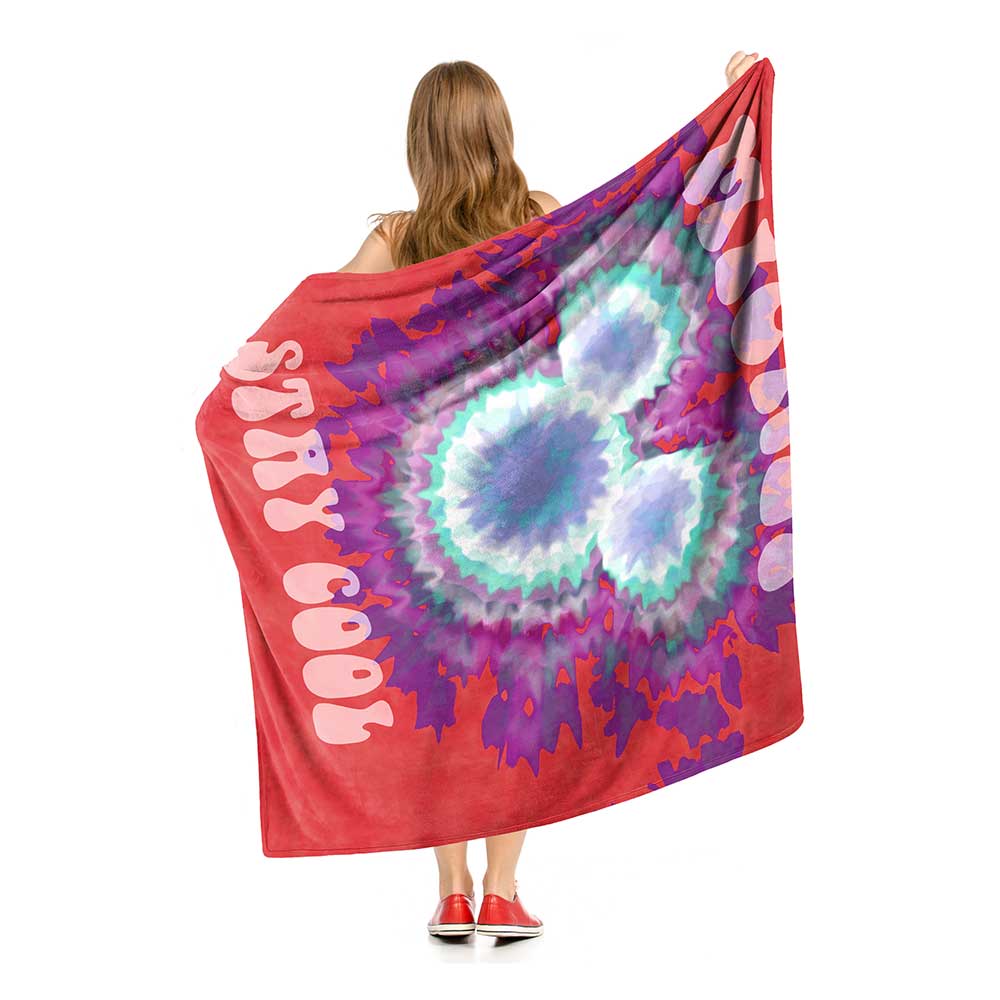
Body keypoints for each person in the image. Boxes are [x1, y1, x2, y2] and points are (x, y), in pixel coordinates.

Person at [338, 50, 761, 941]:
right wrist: (729, 109)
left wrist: (247, 391)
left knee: (443, 699)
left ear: (420, 145)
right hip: (536, 499)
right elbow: (641, 240)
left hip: (430, 510)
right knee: (510, 700)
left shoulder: (396, 240)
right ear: (499, 132)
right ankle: (501, 890)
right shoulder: (539, 218)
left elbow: (331, 338)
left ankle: (452, 893)